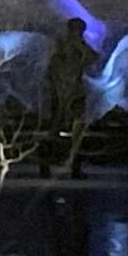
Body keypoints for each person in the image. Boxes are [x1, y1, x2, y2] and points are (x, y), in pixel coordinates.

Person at [44, 17, 102, 172]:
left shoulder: (80, 46)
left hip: (75, 90)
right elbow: (52, 66)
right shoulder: (61, 45)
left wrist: (80, 48)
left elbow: (93, 58)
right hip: (60, 89)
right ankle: (49, 159)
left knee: (78, 121)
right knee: (56, 123)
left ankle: (73, 158)